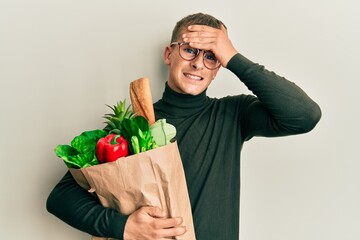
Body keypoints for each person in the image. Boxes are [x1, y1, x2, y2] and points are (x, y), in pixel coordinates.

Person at [47, 13, 321, 239]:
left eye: (211, 56)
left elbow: (304, 115)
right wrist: (125, 227)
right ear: (169, 54)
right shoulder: (133, 128)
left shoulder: (233, 114)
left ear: (218, 68)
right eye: (189, 50)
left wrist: (233, 56)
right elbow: (60, 197)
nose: (198, 64)